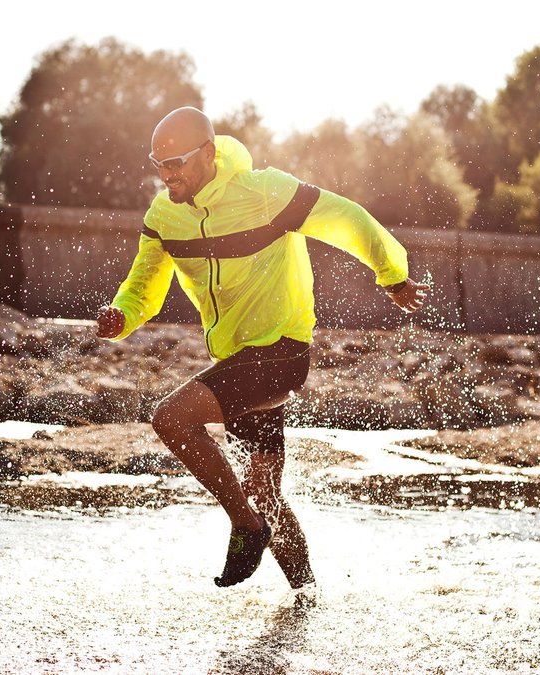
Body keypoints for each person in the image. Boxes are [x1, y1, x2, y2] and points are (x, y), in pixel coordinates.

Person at [96, 107, 427, 589]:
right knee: (266, 491)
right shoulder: (164, 215)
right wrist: (122, 315)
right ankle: (307, 599)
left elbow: (346, 217)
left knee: (171, 418)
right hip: (236, 361)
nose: (168, 175)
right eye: (159, 164)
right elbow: (144, 282)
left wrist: (392, 274)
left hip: (282, 350)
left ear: (208, 153)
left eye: (178, 163)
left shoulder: (265, 192)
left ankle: (244, 525)